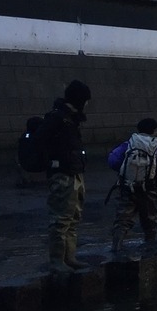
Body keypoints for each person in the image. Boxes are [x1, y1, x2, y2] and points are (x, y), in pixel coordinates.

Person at [38, 79, 91, 273]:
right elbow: (42, 143)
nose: (87, 105)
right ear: (80, 99)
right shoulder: (57, 118)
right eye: (86, 100)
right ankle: (57, 261)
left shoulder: (70, 118)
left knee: (73, 217)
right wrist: (54, 162)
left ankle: (70, 257)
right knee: (60, 218)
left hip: (74, 172)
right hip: (62, 174)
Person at [107, 117, 157, 253]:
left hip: (127, 187)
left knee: (123, 218)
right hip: (149, 189)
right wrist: (155, 175)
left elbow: (113, 160)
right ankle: (150, 246)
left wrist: (126, 173)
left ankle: (116, 245)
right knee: (150, 219)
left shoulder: (128, 144)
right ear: (154, 131)